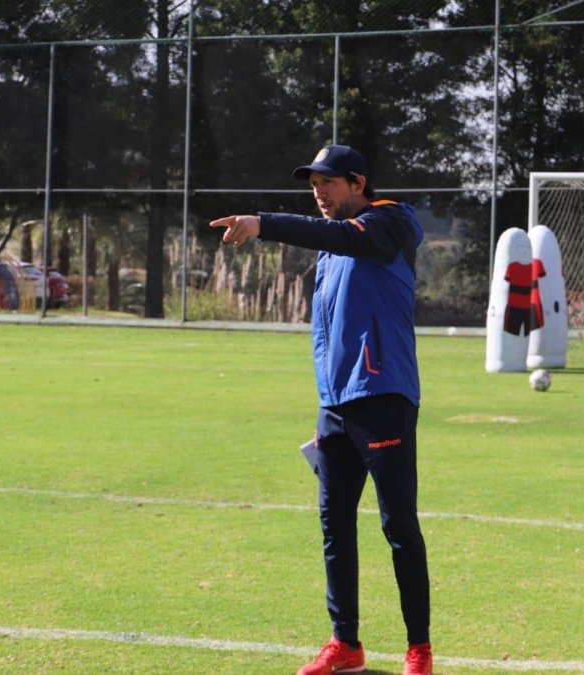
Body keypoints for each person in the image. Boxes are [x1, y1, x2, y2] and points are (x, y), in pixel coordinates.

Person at [209, 144, 433, 675]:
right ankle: (346, 644)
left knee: (398, 525)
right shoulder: (331, 252)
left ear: (358, 183)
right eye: (313, 185)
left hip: (383, 398)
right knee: (334, 525)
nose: (319, 193)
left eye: (328, 183)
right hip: (335, 408)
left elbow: (337, 235)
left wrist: (260, 222)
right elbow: (327, 331)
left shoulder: (390, 223)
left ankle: (418, 648)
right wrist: (324, 401)